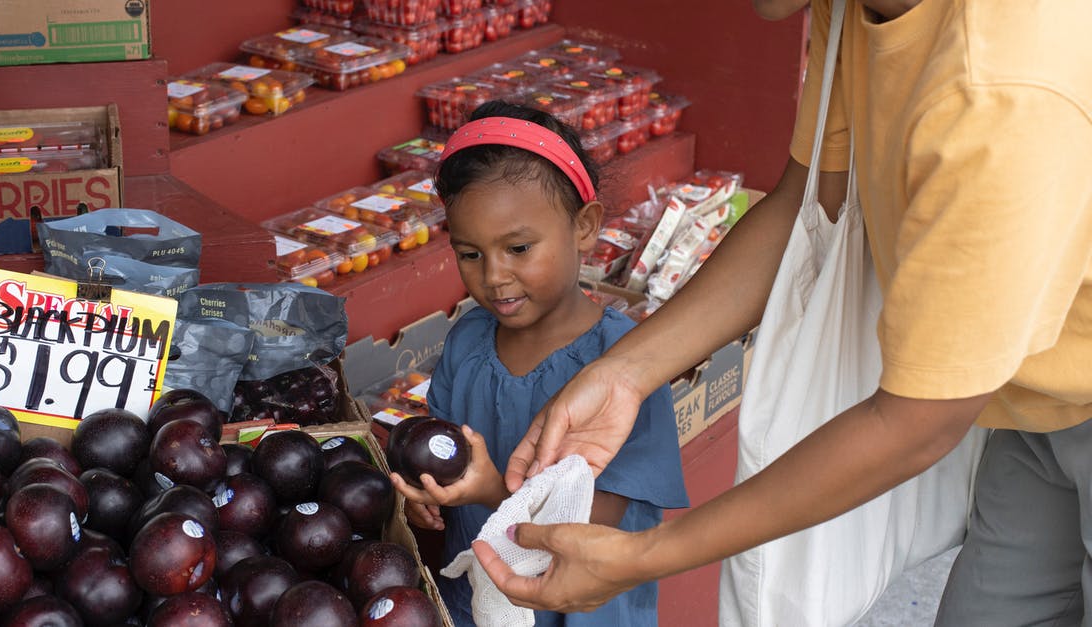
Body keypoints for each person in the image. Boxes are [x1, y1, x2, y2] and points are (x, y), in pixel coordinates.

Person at [472, 0, 1092, 624]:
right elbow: (808, 204)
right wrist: (623, 374)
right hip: (1040, 405)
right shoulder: (858, 8)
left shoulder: (999, 93)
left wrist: (647, 554)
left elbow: (918, 421)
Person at [387, 100, 689, 627]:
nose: (495, 275)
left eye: (519, 247)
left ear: (585, 227)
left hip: (581, 606)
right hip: (482, 598)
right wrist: (426, 497)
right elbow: (437, 446)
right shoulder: (467, 341)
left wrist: (487, 490)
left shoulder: (625, 366)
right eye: (470, 254)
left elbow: (595, 521)